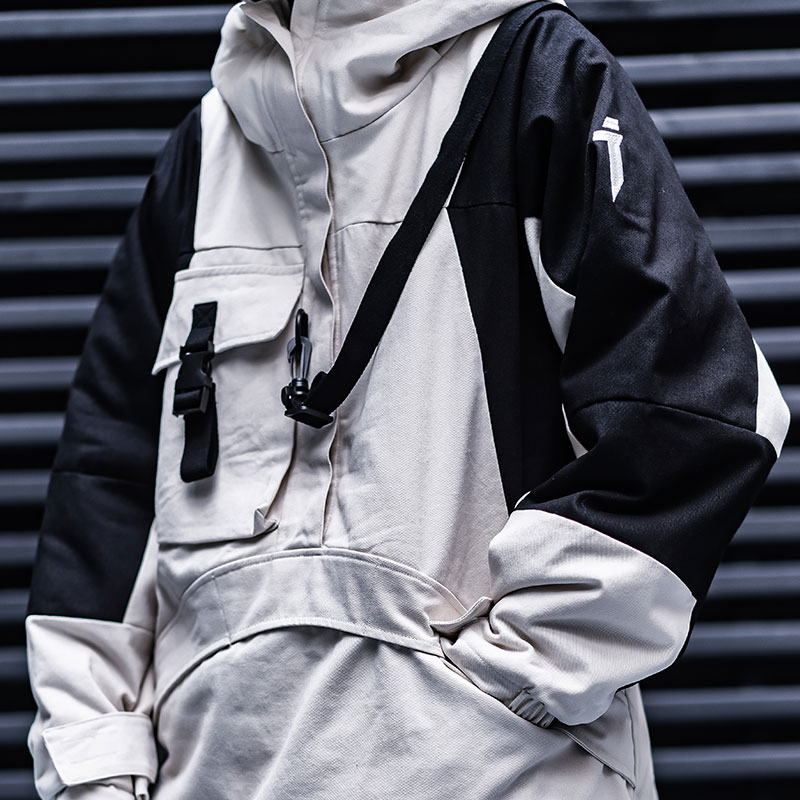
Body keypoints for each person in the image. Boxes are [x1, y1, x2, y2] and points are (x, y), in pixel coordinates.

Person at [25, 1, 790, 798]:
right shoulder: (207, 149)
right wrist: (97, 775)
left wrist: (509, 687)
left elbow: (694, 410)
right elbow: (105, 493)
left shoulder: (534, 72)